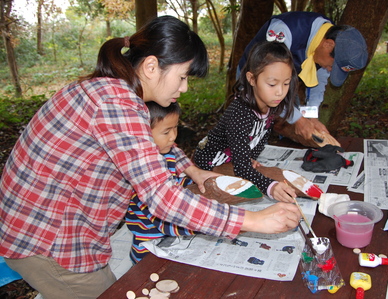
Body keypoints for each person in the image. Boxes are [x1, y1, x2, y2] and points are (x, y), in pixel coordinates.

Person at [0, 16, 301, 298]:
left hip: (57, 226)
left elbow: (155, 145)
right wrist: (253, 220)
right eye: (182, 76)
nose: (183, 88)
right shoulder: (116, 104)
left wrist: (194, 172)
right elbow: (162, 196)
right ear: (151, 66)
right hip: (49, 240)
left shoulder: (111, 91)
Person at [237, 11, 368, 146]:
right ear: (328, 44)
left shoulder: (328, 41)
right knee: (252, 123)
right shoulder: (285, 30)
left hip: (287, 78)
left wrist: (312, 117)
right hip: (256, 78)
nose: (330, 69)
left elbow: (318, 81)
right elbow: (269, 87)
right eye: (332, 66)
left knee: (293, 120)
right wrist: (298, 119)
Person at [194, 41, 299, 203]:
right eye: (272, 84)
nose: (280, 91)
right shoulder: (240, 113)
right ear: (251, 79)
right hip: (207, 164)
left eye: (286, 83)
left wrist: (248, 157)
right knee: (247, 189)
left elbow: (261, 138)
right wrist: (270, 187)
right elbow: (242, 169)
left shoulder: (269, 104)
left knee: (267, 176)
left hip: (233, 161)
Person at [126, 101, 197, 264]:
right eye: (166, 132)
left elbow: (174, 181)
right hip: (148, 244)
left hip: (170, 238)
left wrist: (192, 185)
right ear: (143, 133)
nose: (173, 136)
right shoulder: (141, 172)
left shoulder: (167, 153)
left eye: (175, 127)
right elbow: (162, 216)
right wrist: (201, 226)